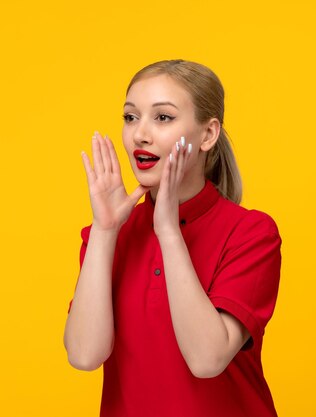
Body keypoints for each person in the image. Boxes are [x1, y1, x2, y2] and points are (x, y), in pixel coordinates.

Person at [63, 59, 282, 417]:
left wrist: (168, 232)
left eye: (162, 117)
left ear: (208, 134)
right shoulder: (107, 236)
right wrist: (104, 232)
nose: (140, 134)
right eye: (131, 117)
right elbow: (85, 355)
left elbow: (207, 359)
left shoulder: (252, 234)